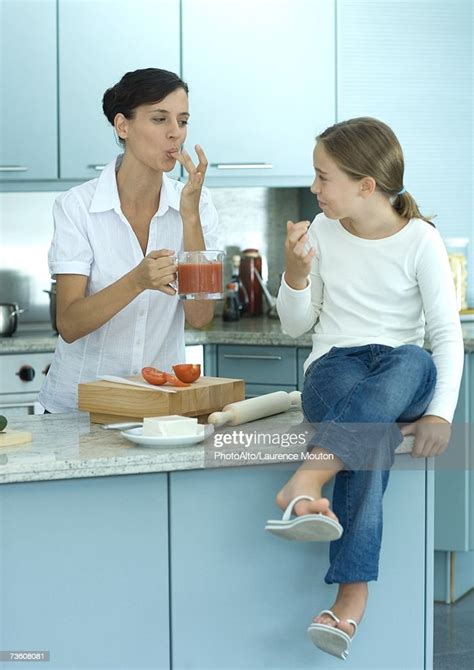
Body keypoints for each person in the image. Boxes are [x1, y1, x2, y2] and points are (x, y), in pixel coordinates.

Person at [271, 117, 464, 660]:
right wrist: (295, 272)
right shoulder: (322, 231)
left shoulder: (421, 240)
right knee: (370, 434)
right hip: (335, 366)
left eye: (322, 177)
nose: (313, 189)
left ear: (365, 185)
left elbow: (445, 335)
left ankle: (308, 480)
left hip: (402, 371)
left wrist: (441, 413)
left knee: (409, 359)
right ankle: (350, 597)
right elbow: (294, 325)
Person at [39, 68, 220, 413]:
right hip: (77, 408)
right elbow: (69, 324)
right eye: (159, 119)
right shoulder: (76, 207)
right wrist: (138, 280)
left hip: (159, 406)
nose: (175, 134)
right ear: (123, 126)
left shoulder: (197, 204)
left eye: (182, 121)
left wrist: (191, 218)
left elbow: (201, 315)